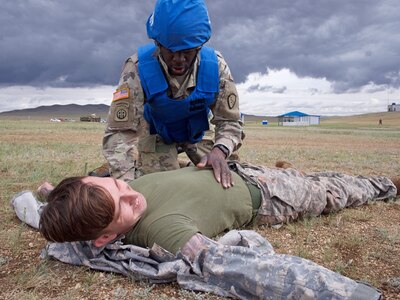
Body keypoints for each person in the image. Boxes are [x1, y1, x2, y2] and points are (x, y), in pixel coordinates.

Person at [37, 161, 398, 299]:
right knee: (340, 190)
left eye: (119, 185)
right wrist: (349, 294)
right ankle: (387, 186)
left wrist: (51, 194)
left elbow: (63, 207)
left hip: (240, 168)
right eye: (124, 205)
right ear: (103, 238)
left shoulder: (91, 203)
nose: (133, 193)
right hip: (271, 195)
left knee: (318, 175)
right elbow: (244, 268)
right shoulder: (165, 232)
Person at [102, 0, 243, 188]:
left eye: (187, 52)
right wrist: (125, 187)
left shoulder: (215, 67)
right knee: (161, 188)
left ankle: (185, 167)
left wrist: (220, 150)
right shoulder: (136, 69)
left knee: (225, 181)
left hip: (196, 135)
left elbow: (230, 122)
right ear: (158, 43)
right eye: (171, 51)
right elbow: (119, 134)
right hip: (156, 135)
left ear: (199, 47)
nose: (178, 59)